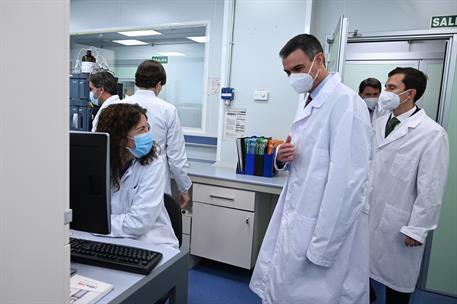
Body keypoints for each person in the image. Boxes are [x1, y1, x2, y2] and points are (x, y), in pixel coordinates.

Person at [249, 34, 372, 304]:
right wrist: (281, 156)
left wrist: (323, 246)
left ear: (319, 59)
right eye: (287, 72)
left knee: (314, 294)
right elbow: (303, 153)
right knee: (284, 288)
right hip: (299, 211)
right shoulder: (308, 99)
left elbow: (348, 183)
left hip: (320, 226)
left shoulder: (346, 103)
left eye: (298, 69)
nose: (293, 77)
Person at [369, 67, 449, 304]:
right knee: (360, 275)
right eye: (386, 86)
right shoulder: (379, 122)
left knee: (397, 286)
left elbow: (432, 187)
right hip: (368, 214)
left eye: (391, 88)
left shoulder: (431, 133)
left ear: (410, 93)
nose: (385, 93)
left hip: (399, 223)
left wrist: (417, 228)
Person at [96, 103, 179, 250]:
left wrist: (96, 223)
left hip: (152, 244)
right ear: (119, 137)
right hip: (112, 241)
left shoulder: (153, 164)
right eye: (141, 130)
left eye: (147, 128)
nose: (148, 134)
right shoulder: (101, 163)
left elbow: (138, 223)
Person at [123, 60, 192, 208]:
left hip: (123, 180)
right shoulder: (167, 110)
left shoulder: (120, 106)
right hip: (156, 181)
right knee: (152, 223)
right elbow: (176, 157)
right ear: (159, 84)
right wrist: (184, 188)